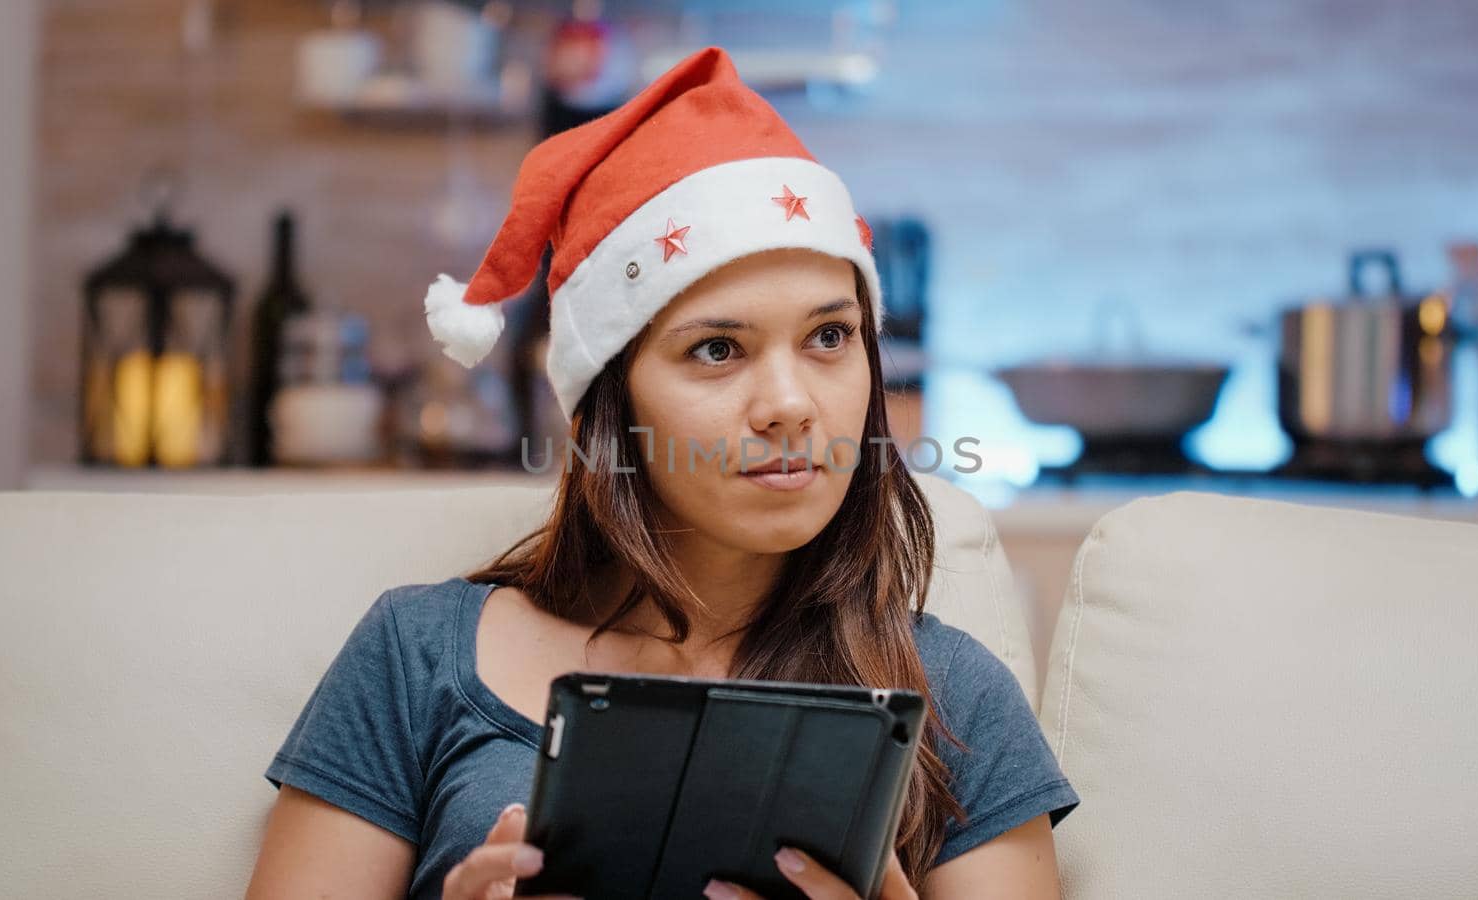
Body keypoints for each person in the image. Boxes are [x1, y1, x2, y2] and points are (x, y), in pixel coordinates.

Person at [246, 46, 1078, 900]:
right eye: (718, 349)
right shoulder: (413, 654)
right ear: (606, 406)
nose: (791, 405)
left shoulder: (958, 701)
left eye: (829, 337)